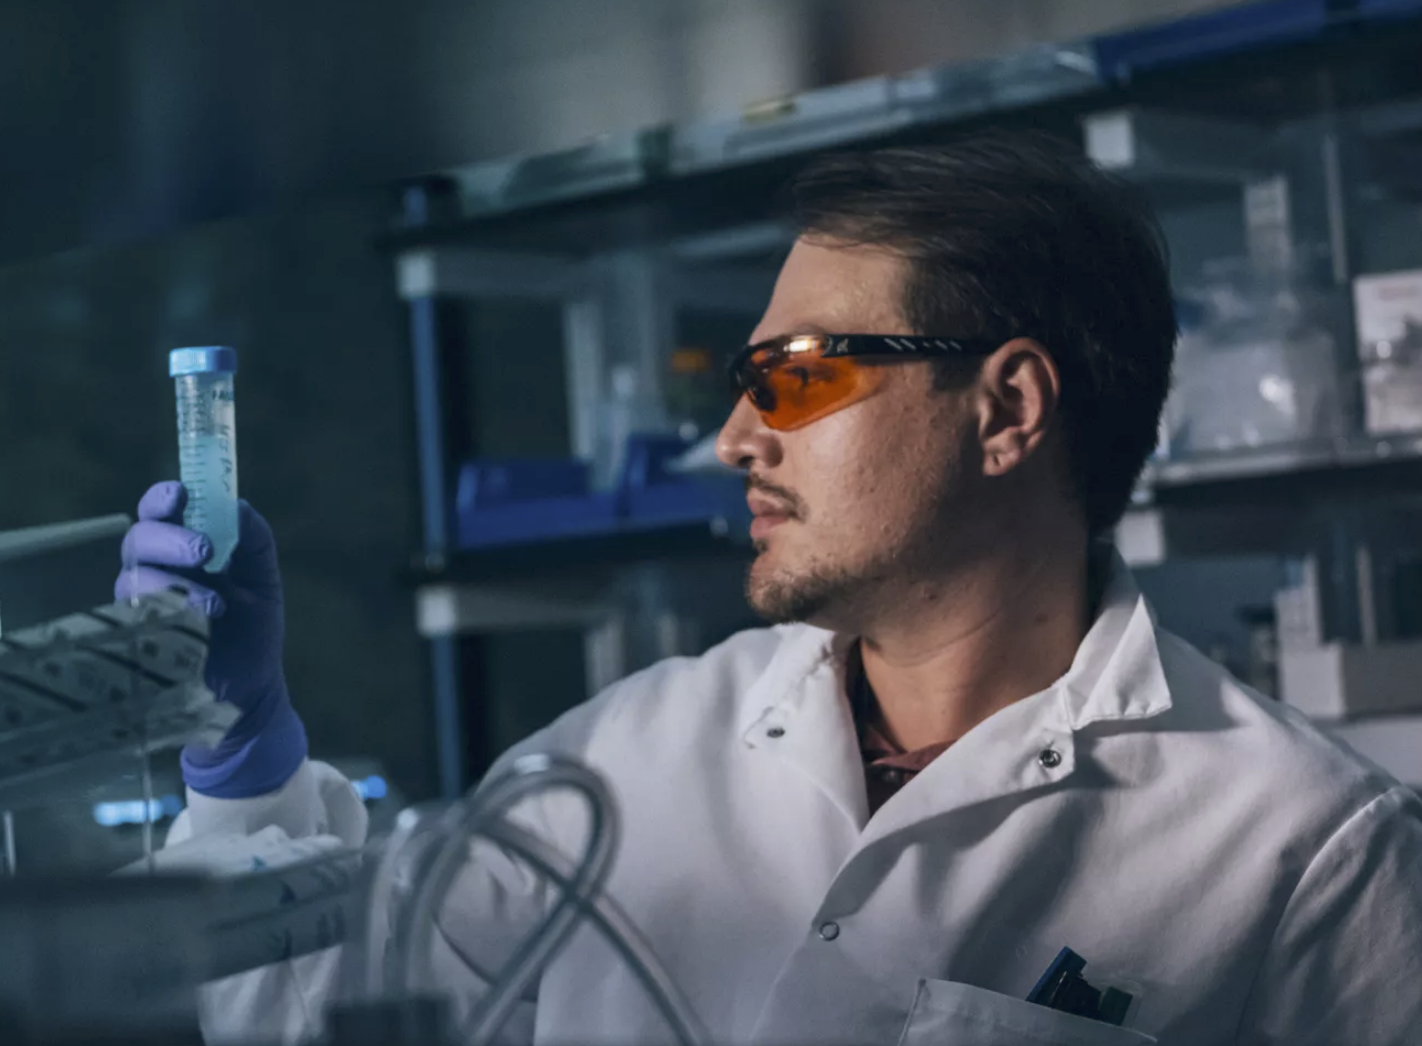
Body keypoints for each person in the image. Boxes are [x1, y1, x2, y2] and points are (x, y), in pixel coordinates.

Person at [122, 134, 1422, 1045]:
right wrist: (239, 764)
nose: (736, 438)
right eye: (742, 383)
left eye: (796, 375)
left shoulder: (1304, 851)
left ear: (1007, 406)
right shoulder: (626, 754)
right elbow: (325, 1016)